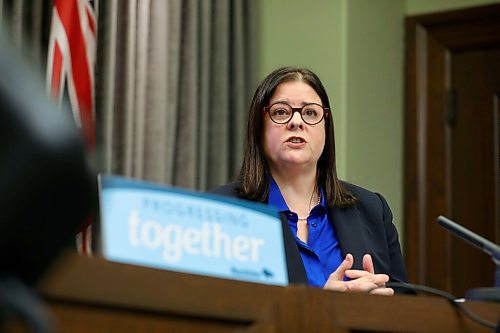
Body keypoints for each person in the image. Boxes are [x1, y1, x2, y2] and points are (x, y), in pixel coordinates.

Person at [210, 67, 407, 295]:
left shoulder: (372, 210)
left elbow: (406, 305)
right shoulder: (221, 212)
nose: (296, 121)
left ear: (326, 127)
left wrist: (382, 310)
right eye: (281, 112)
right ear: (259, 127)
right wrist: (324, 309)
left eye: (310, 113)